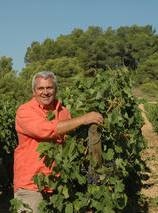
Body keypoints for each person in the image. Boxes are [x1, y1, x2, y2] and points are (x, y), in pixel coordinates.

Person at [14, 71, 103, 213]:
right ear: (33, 92)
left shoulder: (63, 111)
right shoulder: (25, 112)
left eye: (49, 88)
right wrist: (82, 119)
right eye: (40, 88)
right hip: (31, 187)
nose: (45, 92)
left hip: (58, 185)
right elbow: (45, 130)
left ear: (55, 89)